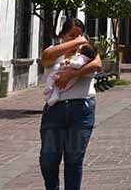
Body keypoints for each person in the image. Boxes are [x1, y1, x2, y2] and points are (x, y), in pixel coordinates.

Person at [40, 18, 102, 190]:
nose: (78, 39)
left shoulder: (88, 52)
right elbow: (45, 58)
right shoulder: (54, 52)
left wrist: (71, 75)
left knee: (74, 159)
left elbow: (97, 64)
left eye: (80, 35)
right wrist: (76, 42)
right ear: (63, 35)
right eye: (72, 35)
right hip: (55, 111)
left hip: (82, 109)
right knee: (48, 159)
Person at [44, 43, 98, 107]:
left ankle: (49, 88)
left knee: (52, 77)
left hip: (69, 78)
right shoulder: (83, 57)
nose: (78, 48)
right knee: (57, 86)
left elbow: (78, 64)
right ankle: (54, 96)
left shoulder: (82, 57)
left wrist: (70, 62)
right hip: (70, 78)